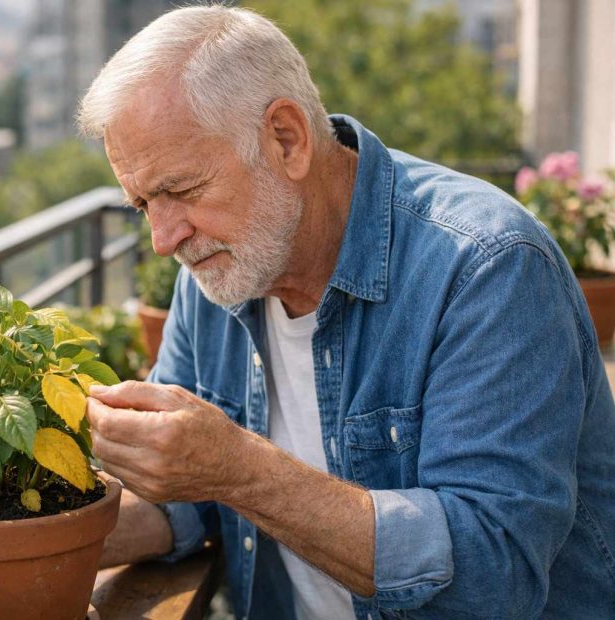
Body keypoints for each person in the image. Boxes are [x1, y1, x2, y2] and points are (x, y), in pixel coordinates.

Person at [78, 6, 615, 619]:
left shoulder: (485, 267)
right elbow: (187, 494)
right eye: (144, 203)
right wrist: (27, 543)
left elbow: (491, 575)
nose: (163, 238)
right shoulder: (218, 272)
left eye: (180, 190)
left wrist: (238, 469)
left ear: (287, 139)